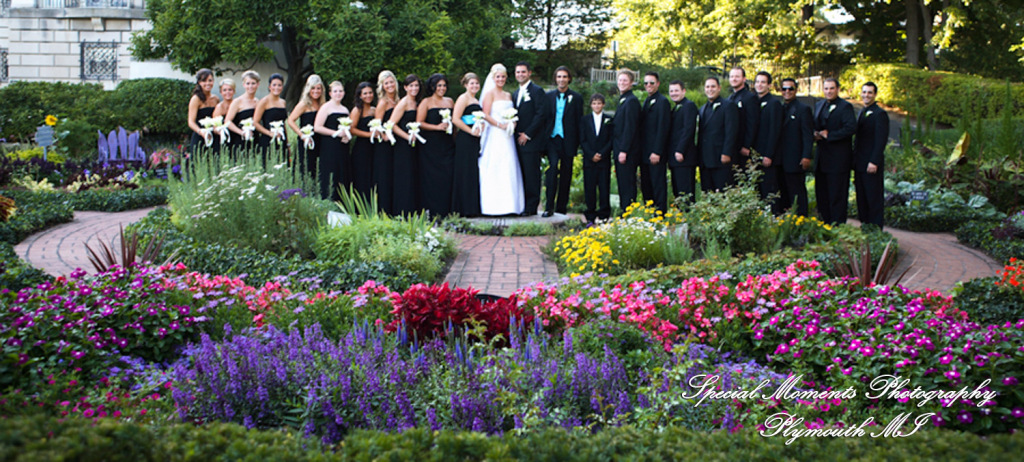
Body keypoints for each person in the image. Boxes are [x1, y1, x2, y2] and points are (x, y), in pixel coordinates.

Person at [478, 63, 525, 216]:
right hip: (495, 134)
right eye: (498, 77)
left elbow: (513, 113)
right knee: (495, 164)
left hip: (508, 135)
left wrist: (513, 122)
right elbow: (485, 114)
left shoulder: (508, 95)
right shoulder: (489, 94)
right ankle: (493, 206)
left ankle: (511, 205)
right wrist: (499, 125)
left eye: (503, 77)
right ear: (493, 78)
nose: (501, 79)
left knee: (509, 164)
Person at [813, 77, 857, 225]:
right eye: (826, 88)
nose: (829, 91)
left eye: (832, 88)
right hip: (821, 159)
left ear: (838, 89)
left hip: (838, 160)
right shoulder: (819, 105)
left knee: (837, 195)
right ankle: (825, 224)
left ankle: (838, 226)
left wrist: (830, 135)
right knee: (822, 194)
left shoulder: (845, 107)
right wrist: (816, 134)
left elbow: (850, 128)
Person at [543, 66, 583, 217]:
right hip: (552, 140)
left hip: (568, 141)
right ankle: (549, 207)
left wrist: (577, 143)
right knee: (552, 169)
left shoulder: (576, 98)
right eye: (559, 76)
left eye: (564, 77)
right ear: (555, 78)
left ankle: (561, 208)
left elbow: (579, 121)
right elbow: (545, 119)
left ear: (569, 79)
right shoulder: (548, 97)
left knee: (566, 174)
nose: (562, 79)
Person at [416, 73, 456, 218]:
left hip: (447, 144)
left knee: (448, 176)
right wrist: (437, 127)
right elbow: (419, 123)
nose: (442, 88)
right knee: (432, 178)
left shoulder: (450, 101)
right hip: (431, 146)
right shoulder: (426, 102)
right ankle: (432, 211)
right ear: (432, 87)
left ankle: (447, 210)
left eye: (444, 85)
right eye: (439, 85)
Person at [512, 61, 549, 216]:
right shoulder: (515, 93)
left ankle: (531, 207)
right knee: (519, 173)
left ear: (529, 73)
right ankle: (520, 204)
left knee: (531, 174)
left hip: (531, 141)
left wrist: (527, 134)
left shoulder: (537, 91)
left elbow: (542, 115)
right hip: (515, 140)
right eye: (518, 72)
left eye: (523, 72)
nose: (520, 74)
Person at [776, 78, 815, 217]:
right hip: (780, 159)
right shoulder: (778, 108)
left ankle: (801, 221)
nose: (787, 91)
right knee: (783, 192)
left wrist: (806, 156)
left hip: (795, 159)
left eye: (790, 89)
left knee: (797, 192)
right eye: (784, 89)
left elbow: (807, 135)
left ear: (796, 90)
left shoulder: (803, 110)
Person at [853, 81, 889, 228]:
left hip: (871, 164)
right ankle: (865, 226)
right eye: (864, 92)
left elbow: (881, 140)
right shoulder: (862, 111)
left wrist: (874, 161)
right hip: (860, 163)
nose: (866, 95)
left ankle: (875, 229)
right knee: (862, 197)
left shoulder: (880, 114)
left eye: (869, 92)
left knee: (873, 198)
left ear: (875, 95)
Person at [389, 74, 423, 216]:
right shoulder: (403, 103)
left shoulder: (417, 102)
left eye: (416, 85)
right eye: (411, 86)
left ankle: (415, 210)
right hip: (403, 145)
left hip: (416, 144)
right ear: (405, 87)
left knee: (415, 175)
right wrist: (407, 137)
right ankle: (403, 211)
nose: (414, 88)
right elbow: (391, 125)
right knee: (405, 176)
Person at [698, 76, 738, 192]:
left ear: (719, 88)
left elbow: (731, 131)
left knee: (723, 193)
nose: (710, 89)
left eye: (713, 86)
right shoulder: (702, 108)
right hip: (705, 159)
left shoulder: (728, 106)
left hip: (720, 158)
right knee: (707, 193)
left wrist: (727, 152)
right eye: (707, 87)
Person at [451, 72, 483, 217]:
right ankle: (463, 208)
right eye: (472, 83)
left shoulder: (476, 100)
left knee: (472, 171)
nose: (474, 86)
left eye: (476, 83)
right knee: (465, 171)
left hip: (475, 138)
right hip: (465, 138)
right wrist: (470, 131)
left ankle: (472, 207)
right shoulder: (463, 98)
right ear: (465, 85)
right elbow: (456, 119)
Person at [313, 81, 351, 200]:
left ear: (344, 93)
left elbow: (348, 128)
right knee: (330, 174)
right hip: (329, 146)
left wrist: (346, 136)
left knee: (342, 173)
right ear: (330, 93)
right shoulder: (326, 107)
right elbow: (317, 127)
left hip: (342, 147)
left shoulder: (345, 109)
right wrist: (336, 133)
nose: (338, 93)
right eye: (335, 91)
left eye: (340, 91)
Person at [579, 93, 613, 224]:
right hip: (589, 160)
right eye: (594, 103)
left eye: (599, 103)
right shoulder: (584, 120)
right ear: (591, 105)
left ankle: (604, 215)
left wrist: (602, 154)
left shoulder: (609, 119)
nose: (597, 105)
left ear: (603, 105)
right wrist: (591, 154)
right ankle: (590, 216)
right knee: (590, 188)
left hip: (604, 160)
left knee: (604, 187)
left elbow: (611, 139)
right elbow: (583, 139)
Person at [753, 71, 784, 213]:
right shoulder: (754, 101)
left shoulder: (774, 104)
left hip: (768, 156)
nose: (759, 85)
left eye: (763, 82)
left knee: (769, 190)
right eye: (757, 82)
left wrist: (769, 154)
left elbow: (774, 131)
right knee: (757, 191)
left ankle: (773, 219)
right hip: (755, 155)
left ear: (769, 85)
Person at [640, 71, 670, 212]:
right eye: (646, 83)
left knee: (658, 186)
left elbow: (662, 128)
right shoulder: (647, 100)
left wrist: (657, 151)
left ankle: (660, 215)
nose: (649, 85)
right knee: (646, 185)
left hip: (655, 153)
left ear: (658, 84)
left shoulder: (662, 102)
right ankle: (650, 214)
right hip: (645, 152)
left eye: (652, 82)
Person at [612, 69, 641, 210]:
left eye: (625, 80)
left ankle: (628, 213)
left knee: (627, 185)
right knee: (622, 184)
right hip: (620, 149)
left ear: (631, 83)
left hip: (627, 152)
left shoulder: (632, 101)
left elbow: (630, 128)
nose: (621, 83)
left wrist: (623, 150)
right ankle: (626, 213)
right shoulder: (623, 100)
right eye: (620, 80)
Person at [286, 74, 324, 181]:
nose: (316, 91)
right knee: (306, 168)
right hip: (307, 140)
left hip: (320, 140)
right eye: (313, 88)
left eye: (318, 88)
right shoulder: (303, 104)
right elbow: (290, 120)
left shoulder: (322, 104)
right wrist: (302, 135)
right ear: (308, 89)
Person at [667, 80, 699, 204]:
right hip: (675, 157)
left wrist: (680, 150)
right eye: (671, 91)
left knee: (685, 191)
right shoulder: (675, 108)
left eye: (676, 90)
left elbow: (688, 129)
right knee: (678, 191)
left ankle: (688, 218)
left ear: (683, 91)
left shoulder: (689, 106)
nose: (673, 93)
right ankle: (681, 217)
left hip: (684, 156)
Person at [373, 70, 399, 215]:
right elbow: (377, 125)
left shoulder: (398, 101)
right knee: (385, 176)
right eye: (386, 83)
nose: (390, 85)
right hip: (384, 145)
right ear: (382, 86)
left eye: (391, 82)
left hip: (397, 144)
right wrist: (384, 135)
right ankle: (384, 211)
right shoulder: (383, 102)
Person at [726, 67, 760, 180]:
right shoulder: (730, 98)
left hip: (744, 149)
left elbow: (752, 123)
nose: (734, 79)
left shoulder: (750, 98)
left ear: (744, 79)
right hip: (733, 147)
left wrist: (747, 145)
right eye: (732, 76)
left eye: (737, 76)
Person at [349, 81, 377, 202]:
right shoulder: (357, 110)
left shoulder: (374, 110)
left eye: (370, 93)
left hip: (374, 147)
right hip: (361, 148)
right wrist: (368, 135)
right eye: (365, 93)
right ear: (360, 95)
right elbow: (351, 129)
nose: (368, 95)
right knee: (361, 176)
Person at [253, 73, 288, 164]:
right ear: (269, 87)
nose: (277, 87)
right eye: (274, 85)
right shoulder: (264, 101)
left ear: (282, 87)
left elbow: (283, 124)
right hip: (268, 140)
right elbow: (255, 123)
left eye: (279, 85)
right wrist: (270, 133)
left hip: (281, 139)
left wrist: (287, 143)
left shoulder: (283, 102)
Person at [225, 70, 260, 159]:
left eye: (253, 83)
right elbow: (227, 122)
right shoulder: (237, 101)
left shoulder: (258, 102)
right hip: (240, 140)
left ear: (258, 84)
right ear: (243, 84)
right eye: (248, 83)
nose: (250, 86)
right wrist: (242, 133)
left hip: (255, 139)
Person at [186, 69, 219, 163]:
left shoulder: (216, 99)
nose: (207, 83)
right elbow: (191, 122)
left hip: (213, 136)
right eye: (204, 81)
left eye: (210, 80)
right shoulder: (196, 99)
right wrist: (202, 132)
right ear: (199, 82)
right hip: (200, 136)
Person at [211, 77, 235, 159]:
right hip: (223, 140)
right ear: (221, 92)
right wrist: (220, 132)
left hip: (236, 139)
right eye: (224, 90)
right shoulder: (219, 107)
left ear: (234, 91)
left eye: (230, 89)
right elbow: (214, 127)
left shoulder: (237, 104)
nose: (227, 92)